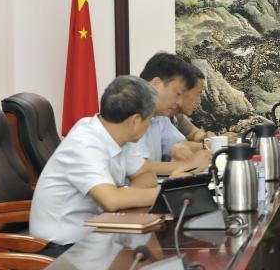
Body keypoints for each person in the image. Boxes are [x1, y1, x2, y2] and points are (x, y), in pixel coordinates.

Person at [30, 76, 181, 255]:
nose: (149, 126)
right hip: (62, 246)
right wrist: (169, 192)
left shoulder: (121, 135)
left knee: (152, 252)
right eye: (149, 120)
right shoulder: (84, 142)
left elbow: (146, 175)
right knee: (149, 259)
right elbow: (112, 201)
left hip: (101, 232)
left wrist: (126, 196)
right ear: (134, 121)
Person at [137, 52, 211, 175]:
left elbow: (180, 144)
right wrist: (190, 165)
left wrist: (180, 149)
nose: (179, 102)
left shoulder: (159, 116)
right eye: (177, 94)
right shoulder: (129, 110)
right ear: (156, 84)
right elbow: (139, 167)